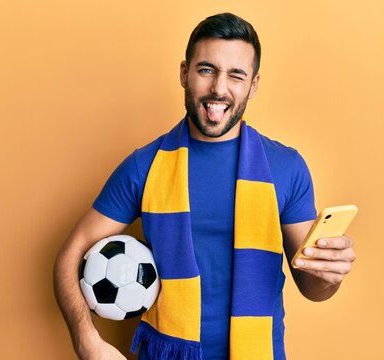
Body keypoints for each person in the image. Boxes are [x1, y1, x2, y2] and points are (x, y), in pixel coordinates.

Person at [53, 12, 356, 360]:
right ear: (185, 73)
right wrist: (86, 341)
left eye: (236, 75)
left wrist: (329, 275)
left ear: (253, 85)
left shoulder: (286, 167)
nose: (219, 89)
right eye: (206, 70)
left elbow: (313, 289)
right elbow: (70, 253)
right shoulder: (144, 166)